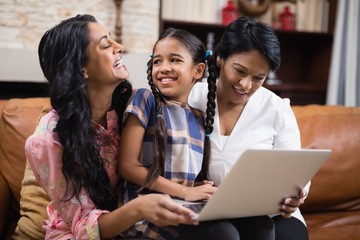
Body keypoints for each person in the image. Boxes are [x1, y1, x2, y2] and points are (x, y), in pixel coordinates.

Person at [25, 14, 198, 240]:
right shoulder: (47, 140)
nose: (120, 47)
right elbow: (83, 228)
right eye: (106, 45)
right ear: (81, 68)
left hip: (136, 227)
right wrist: (140, 208)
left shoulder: (130, 105)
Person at [188, 16, 309, 240]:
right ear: (220, 59)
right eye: (240, 71)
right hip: (209, 212)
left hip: (268, 213)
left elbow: (296, 169)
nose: (246, 85)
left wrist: (296, 196)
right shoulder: (191, 98)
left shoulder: (276, 109)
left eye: (258, 78)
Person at [117, 27, 219, 239]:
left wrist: (196, 187)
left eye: (174, 60)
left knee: (253, 226)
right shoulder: (145, 99)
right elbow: (127, 167)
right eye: (157, 61)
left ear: (198, 71)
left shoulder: (200, 118)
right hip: (144, 214)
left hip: (180, 205)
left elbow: (181, 176)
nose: (163, 68)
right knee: (222, 234)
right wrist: (186, 192)